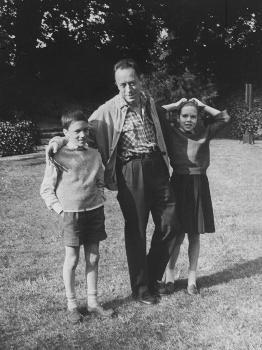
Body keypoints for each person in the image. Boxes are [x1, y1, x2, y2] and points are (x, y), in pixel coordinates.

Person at [47, 59, 176, 305]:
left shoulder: (149, 103)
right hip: (130, 170)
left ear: (140, 80)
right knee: (136, 230)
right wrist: (58, 140)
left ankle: (150, 276)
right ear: (117, 85)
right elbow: (79, 129)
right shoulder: (106, 111)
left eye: (132, 82)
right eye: (123, 85)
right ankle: (141, 289)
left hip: (157, 167)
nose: (129, 89)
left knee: (172, 222)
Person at [40, 110, 113, 324]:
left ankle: (92, 303)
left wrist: (99, 195)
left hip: (94, 212)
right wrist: (61, 210)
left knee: (93, 257)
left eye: (85, 130)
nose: (82, 135)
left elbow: (100, 180)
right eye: (77, 131)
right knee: (72, 260)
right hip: (71, 215)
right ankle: (72, 304)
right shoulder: (58, 154)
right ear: (65, 133)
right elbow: (46, 189)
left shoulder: (94, 154)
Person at [160, 98, 231, 295]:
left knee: (194, 234)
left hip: (198, 184)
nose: (189, 119)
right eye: (185, 116)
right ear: (178, 117)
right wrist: (175, 104)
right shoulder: (172, 131)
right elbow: (156, 113)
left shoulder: (205, 132)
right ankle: (170, 277)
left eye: (193, 116)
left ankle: (192, 280)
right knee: (176, 234)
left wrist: (201, 105)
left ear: (199, 117)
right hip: (178, 184)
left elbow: (224, 117)